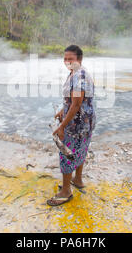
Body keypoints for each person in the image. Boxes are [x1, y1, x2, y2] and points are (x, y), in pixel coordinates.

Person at [47, 44, 96, 206]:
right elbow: (74, 101)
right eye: (65, 58)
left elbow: (76, 105)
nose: (67, 61)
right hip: (85, 122)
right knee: (81, 148)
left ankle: (66, 190)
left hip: (76, 125)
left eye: (71, 59)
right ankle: (78, 179)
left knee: (66, 153)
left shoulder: (78, 77)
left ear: (79, 59)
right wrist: (63, 109)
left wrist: (61, 127)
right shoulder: (76, 72)